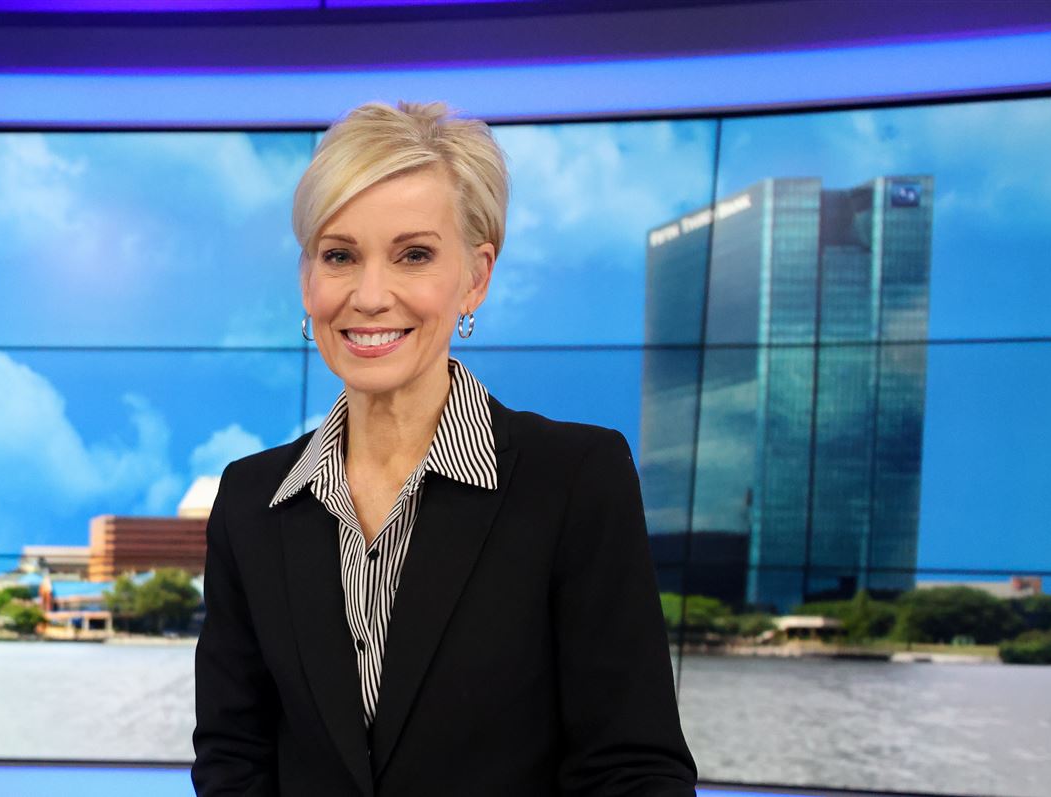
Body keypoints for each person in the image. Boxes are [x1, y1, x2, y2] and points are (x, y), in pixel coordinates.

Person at [192, 100, 696, 796]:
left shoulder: (578, 479)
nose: (370, 296)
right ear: (308, 280)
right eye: (339, 255)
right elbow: (233, 758)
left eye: (414, 255)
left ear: (476, 277)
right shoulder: (250, 500)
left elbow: (633, 770)